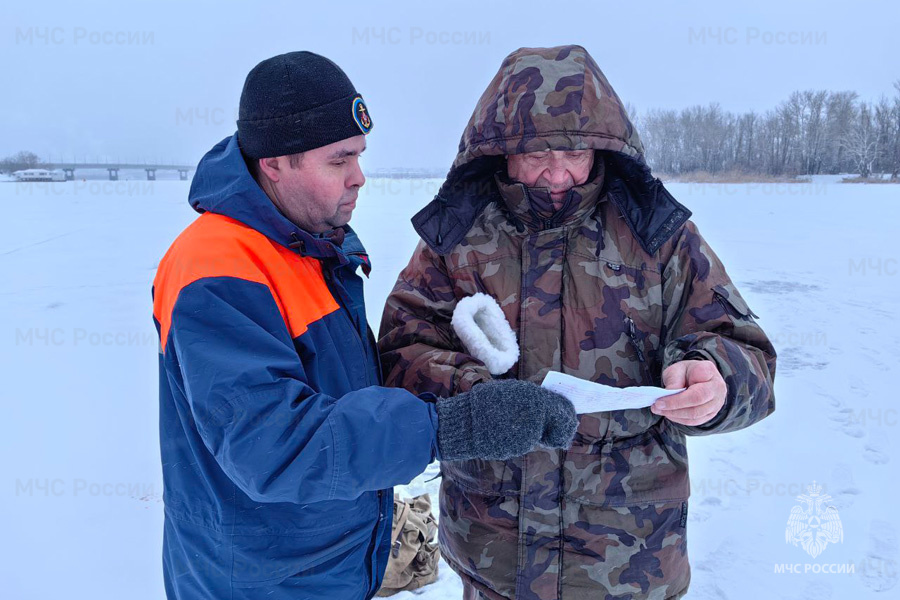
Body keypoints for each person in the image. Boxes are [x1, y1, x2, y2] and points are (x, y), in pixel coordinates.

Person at [152, 51, 577, 600]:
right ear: (275, 162)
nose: (360, 178)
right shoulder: (217, 270)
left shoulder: (308, 246)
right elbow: (271, 443)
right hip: (261, 579)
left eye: (359, 156)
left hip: (328, 565)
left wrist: (457, 380)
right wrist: (448, 428)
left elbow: (345, 390)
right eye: (339, 160)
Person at [378, 45, 777, 599]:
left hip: (628, 564)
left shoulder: (659, 235)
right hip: (494, 561)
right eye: (538, 152)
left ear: (604, 146)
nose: (558, 173)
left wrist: (718, 381)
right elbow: (400, 352)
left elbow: (747, 353)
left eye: (575, 151)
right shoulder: (456, 238)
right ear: (501, 151)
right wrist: (473, 398)